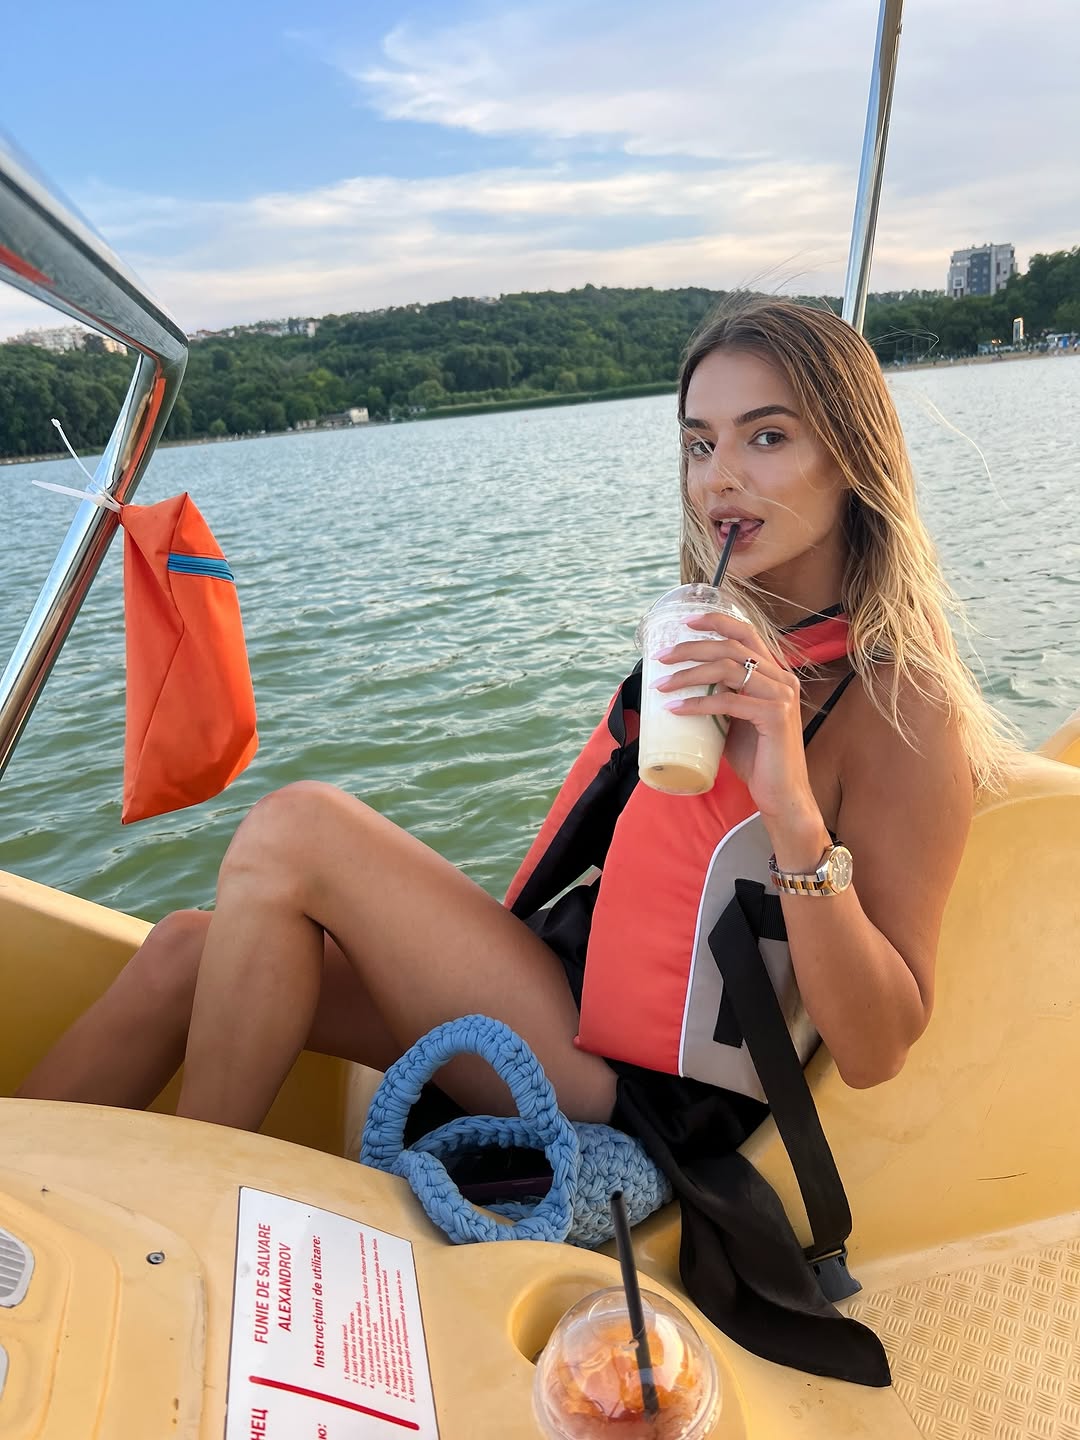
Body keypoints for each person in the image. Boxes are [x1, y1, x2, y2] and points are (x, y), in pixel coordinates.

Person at [18, 296, 1012, 1141]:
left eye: (767, 437)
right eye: (699, 442)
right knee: (184, 951)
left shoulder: (903, 706)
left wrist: (790, 808)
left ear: (852, 459)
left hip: (644, 1095)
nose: (718, 476)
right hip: (572, 994)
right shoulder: (728, 643)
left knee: (297, 827)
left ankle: (199, 1204)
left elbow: (878, 1048)